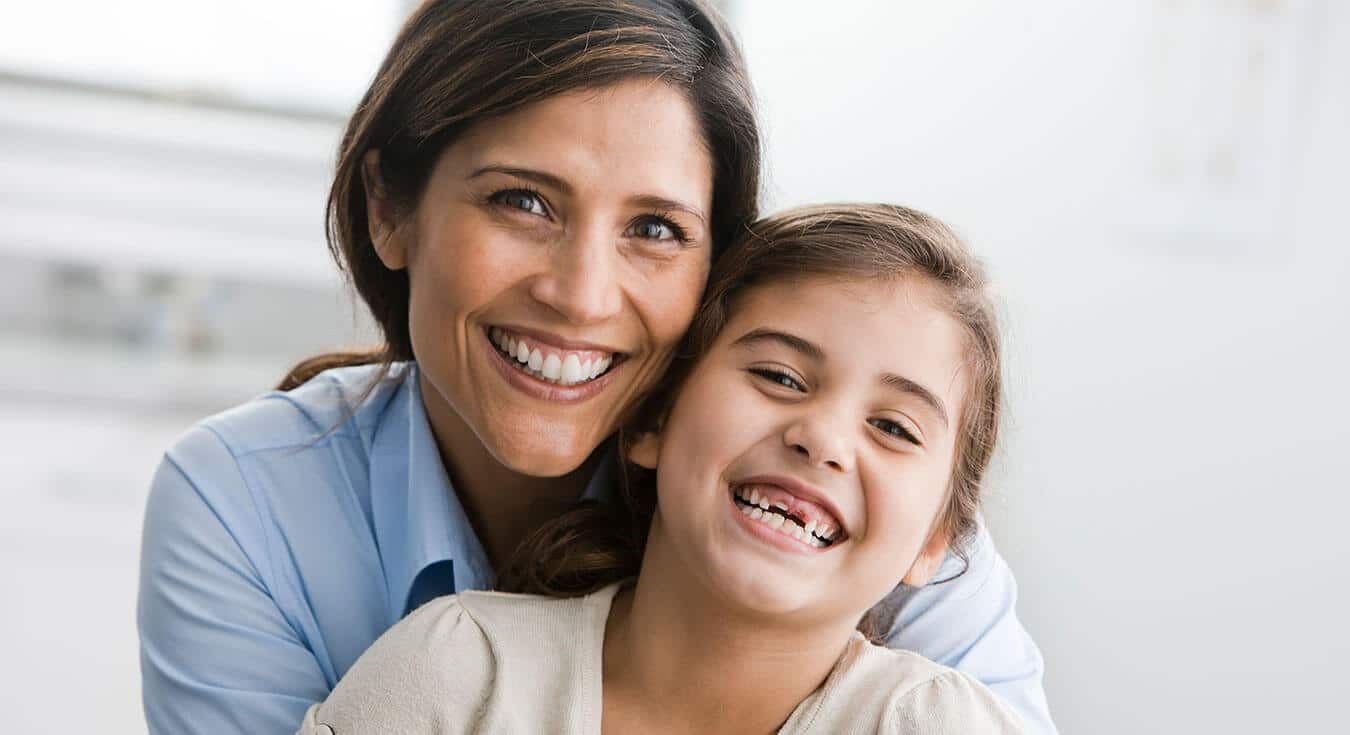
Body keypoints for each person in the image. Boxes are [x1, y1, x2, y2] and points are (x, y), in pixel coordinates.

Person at [136, 1, 1054, 733]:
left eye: (655, 229)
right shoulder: (245, 509)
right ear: (390, 207)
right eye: (523, 201)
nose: (582, 295)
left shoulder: (891, 554)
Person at [295, 203, 1025, 734]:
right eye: (778, 375)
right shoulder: (456, 672)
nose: (822, 437)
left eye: (894, 427)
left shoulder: (945, 724)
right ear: (651, 416)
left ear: (938, 539)